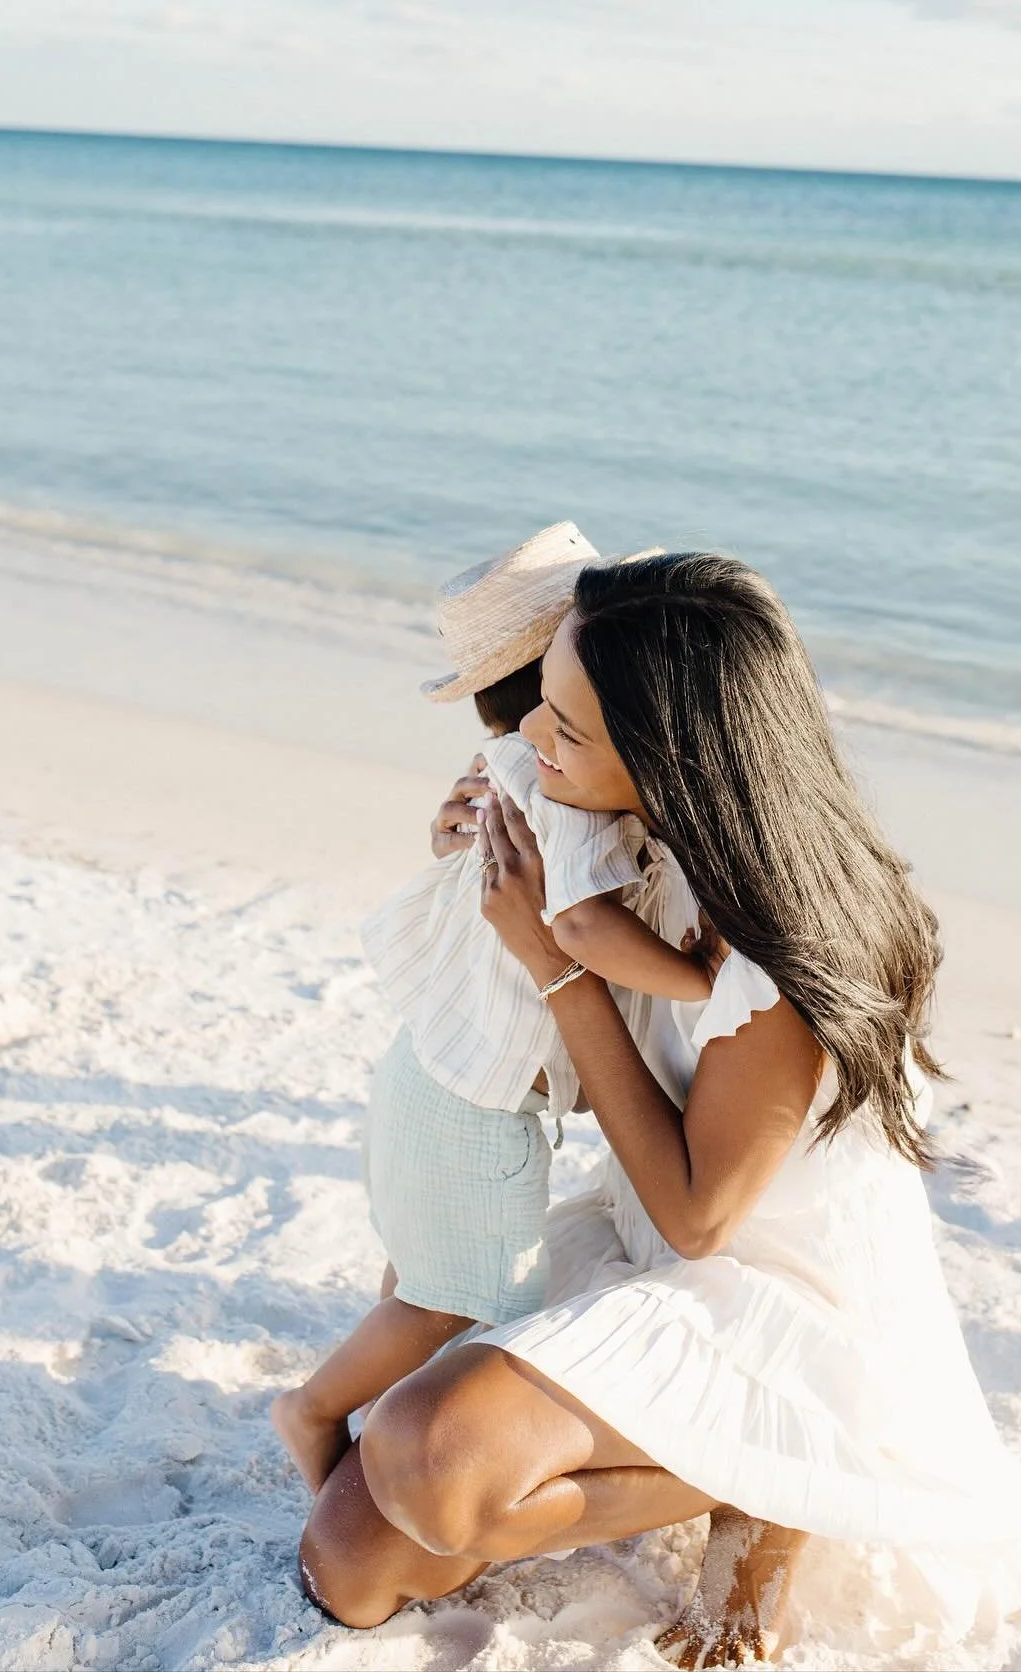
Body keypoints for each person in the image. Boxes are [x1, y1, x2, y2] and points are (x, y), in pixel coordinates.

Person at [298, 552, 1021, 1662]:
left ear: (668, 755)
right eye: (539, 713)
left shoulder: (790, 936)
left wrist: (562, 969)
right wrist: (469, 851)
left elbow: (705, 1219)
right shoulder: (623, 833)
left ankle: (786, 1481)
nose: (531, 747)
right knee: (349, 1564)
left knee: (430, 1458)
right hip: (642, 1241)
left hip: (776, 1306)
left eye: (565, 730)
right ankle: (717, 1465)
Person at [273, 525, 712, 1495]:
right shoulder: (570, 788)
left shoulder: (509, 764)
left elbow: (462, 861)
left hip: (429, 1066)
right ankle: (311, 1409)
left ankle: (380, 1405)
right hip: (477, 1102)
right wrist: (705, 981)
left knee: (424, 1269)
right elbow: (585, 930)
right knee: (468, 1296)